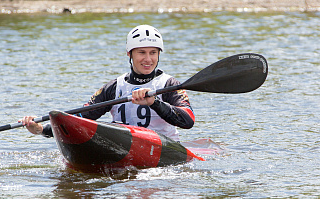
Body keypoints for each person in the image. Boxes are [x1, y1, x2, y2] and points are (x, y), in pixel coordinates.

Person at [20, 25, 195, 141]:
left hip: (164, 147)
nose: (148, 59)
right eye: (141, 52)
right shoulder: (114, 87)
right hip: (124, 144)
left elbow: (188, 121)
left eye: (153, 53)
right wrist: (41, 129)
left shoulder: (170, 84)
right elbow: (80, 118)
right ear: (130, 54)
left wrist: (154, 102)